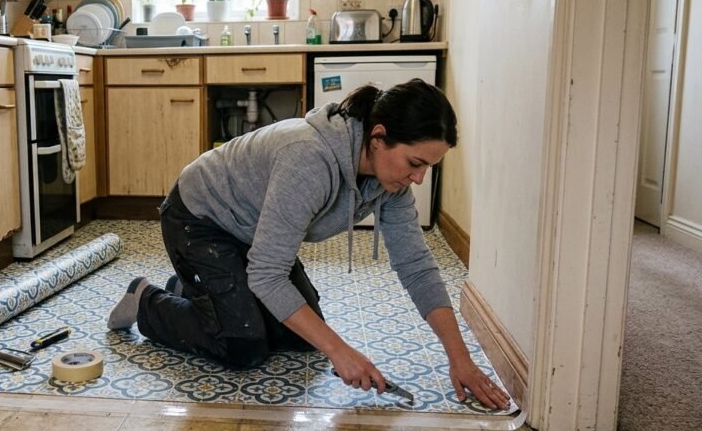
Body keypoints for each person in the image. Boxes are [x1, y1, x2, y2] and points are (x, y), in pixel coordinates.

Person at [107, 80, 510, 410]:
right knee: (242, 345)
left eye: (428, 167)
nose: (419, 179)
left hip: (251, 232)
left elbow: (417, 266)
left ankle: (201, 291)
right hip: (199, 220)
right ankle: (146, 299)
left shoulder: (390, 183)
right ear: (378, 137)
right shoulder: (309, 159)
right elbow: (267, 276)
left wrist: (461, 359)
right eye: (415, 163)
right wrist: (341, 351)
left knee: (300, 337)